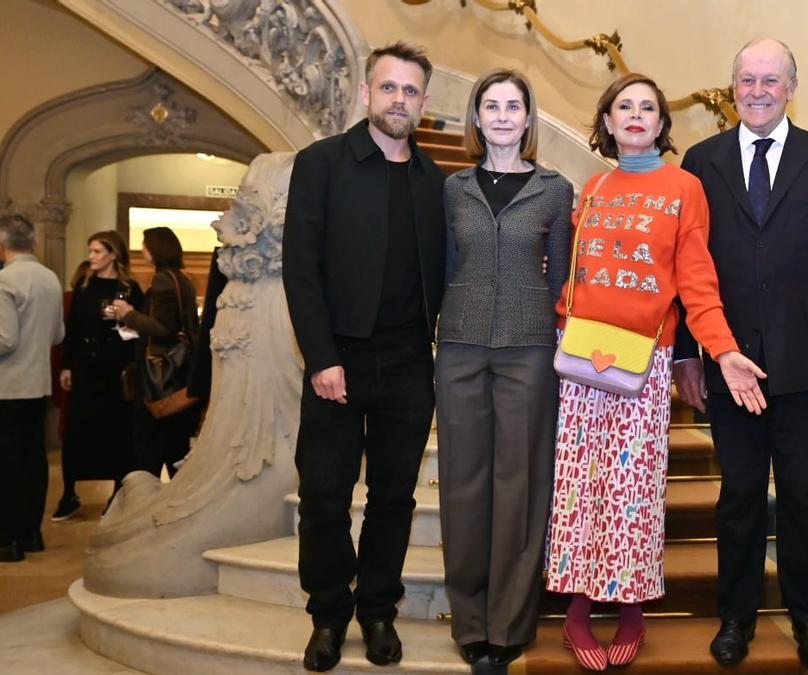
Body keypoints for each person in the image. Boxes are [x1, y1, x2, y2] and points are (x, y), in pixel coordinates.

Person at [544, 73, 767, 672]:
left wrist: (720, 349)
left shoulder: (684, 188)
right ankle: (578, 609)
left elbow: (696, 279)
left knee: (633, 493)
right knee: (578, 488)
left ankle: (634, 608)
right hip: (581, 358)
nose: (636, 115)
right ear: (609, 124)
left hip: (643, 365)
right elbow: (575, 276)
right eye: (625, 107)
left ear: (663, 125)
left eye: (649, 107)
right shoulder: (590, 188)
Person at [673, 38, 808, 669]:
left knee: (806, 497)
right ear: (732, 87)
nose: (757, 90)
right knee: (737, 498)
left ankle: (807, 616)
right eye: (746, 80)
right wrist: (687, 355)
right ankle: (736, 617)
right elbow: (687, 267)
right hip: (732, 366)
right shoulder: (701, 161)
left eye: (770, 80)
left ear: (791, 87)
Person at [281, 41, 445, 672]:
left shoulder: (436, 181)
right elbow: (301, 270)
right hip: (336, 360)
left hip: (408, 362)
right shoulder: (320, 164)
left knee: (393, 499)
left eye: (410, 91)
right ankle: (327, 614)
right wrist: (320, 357)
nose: (398, 99)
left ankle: (378, 610)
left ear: (423, 103)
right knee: (324, 496)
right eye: (388, 88)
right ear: (365, 93)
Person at [436, 68, 573, 667]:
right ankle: (470, 622)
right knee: (464, 483)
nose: (500, 115)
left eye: (512, 105)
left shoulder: (554, 188)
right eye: (489, 105)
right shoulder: (453, 188)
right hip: (461, 344)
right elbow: (442, 266)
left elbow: (564, 277)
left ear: (527, 117)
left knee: (519, 482)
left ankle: (510, 622)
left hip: (530, 348)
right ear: (475, 117)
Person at [52, 231, 144, 521]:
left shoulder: (129, 289)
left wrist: (125, 320)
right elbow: (74, 329)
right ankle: (69, 493)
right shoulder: (84, 285)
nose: (91, 256)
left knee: (117, 430)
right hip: (86, 366)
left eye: (97, 251)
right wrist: (66, 365)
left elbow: (137, 334)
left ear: (113, 254)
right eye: (90, 251)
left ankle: (117, 493)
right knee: (77, 430)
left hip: (116, 367)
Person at [112, 227, 201, 480]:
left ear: (156, 248)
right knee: (176, 446)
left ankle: (147, 502)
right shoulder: (183, 279)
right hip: (180, 372)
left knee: (150, 445)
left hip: (159, 371)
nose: (142, 250)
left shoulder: (163, 279)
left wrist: (128, 313)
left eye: (145, 244)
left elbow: (162, 327)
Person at [0, 214, 65, 562]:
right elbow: (58, 336)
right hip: (37, 383)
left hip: (6, 385)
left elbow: (5, 340)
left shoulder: (5, 280)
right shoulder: (50, 278)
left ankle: (7, 540)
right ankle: (32, 533)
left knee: (6, 463)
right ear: (34, 242)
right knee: (33, 459)